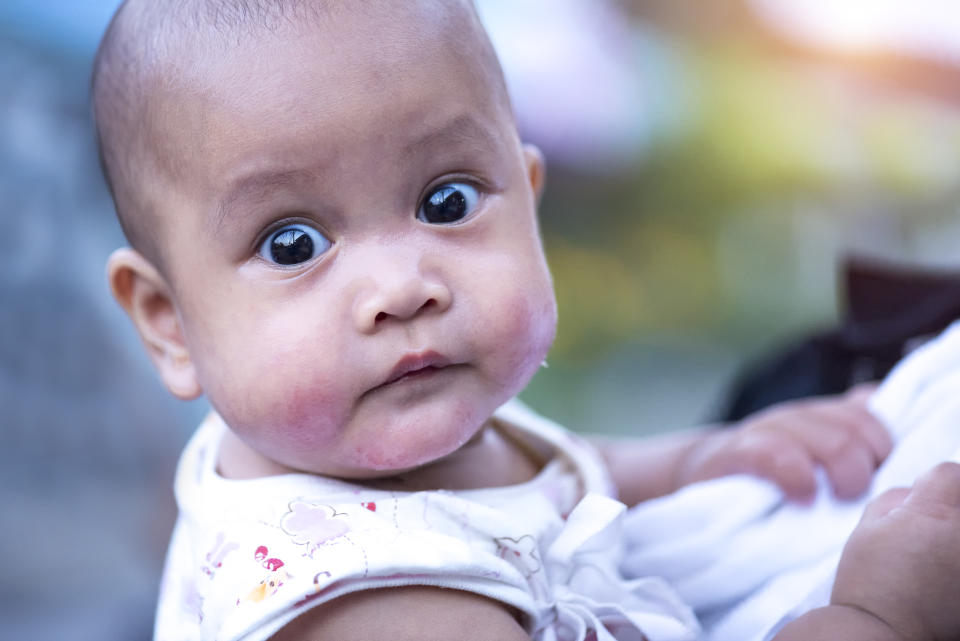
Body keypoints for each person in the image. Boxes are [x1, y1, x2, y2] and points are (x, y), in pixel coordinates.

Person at [90, 1, 960, 639]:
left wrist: (701, 458)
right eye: (291, 243)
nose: (403, 285)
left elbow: (541, 474)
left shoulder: (372, 430)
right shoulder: (386, 605)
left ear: (528, 201)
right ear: (170, 321)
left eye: (447, 199)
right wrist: (875, 616)